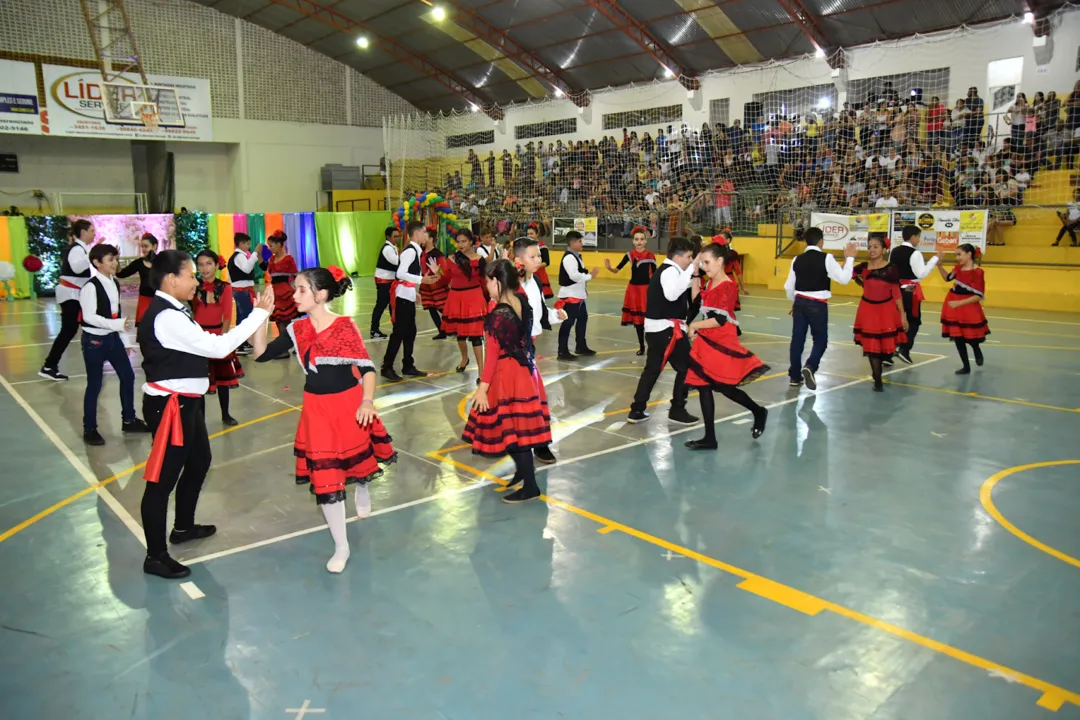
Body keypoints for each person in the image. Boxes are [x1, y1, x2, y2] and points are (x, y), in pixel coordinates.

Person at [138, 250, 274, 579]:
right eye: (190, 275)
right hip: (171, 405)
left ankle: (183, 527)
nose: (197, 280)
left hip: (187, 402)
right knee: (161, 480)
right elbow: (216, 348)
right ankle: (155, 555)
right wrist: (258, 314)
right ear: (171, 279)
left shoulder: (175, 309)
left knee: (198, 462)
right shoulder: (166, 316)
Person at [252, 267, 396, 573]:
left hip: (349, 405)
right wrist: (259, 316)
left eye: (301, 290)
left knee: (357, 461)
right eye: (295, 289)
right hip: (316, 409)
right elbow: (260, 353)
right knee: (327, 480)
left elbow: (368, 369)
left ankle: (362, 486)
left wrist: (367, 401)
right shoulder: (296, 329)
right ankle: (341, 546)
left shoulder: (345, 326)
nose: (294, 295)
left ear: (321, 295)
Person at [462, 259, 552, 503]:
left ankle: (531, 486)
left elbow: (491, 357)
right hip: (526, 371)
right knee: (516, 429)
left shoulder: (498, 314)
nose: (486, 287)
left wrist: (482, 390)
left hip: (507, 375)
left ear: (496, 281)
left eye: (488, 282)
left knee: (514, 433)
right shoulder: (521, 300)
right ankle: (523, 474)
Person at [684, 243, 769, 450]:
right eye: (702, 262)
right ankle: (710, 438)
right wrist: (695, 273)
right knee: (703, 386)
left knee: (725, 388)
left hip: (721, 340)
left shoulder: (728, 285)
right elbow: (697, 300)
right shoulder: (711, 282)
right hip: (706, 340)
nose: (704, 266)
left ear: (720, 261)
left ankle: (758, 411)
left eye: (707, 262)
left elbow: (719, 320)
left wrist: (693, 325)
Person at [79, 243, 149, 445]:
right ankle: (89, 428)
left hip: (113, 339)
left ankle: (129, 419)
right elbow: (89, 317)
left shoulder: (114, 283)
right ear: (96, 262)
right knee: (95, 385)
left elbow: (116, 312)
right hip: (94, 341)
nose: (115, 263)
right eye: (110, 260)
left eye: (116, 259)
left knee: (128, 376)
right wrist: (115, 324)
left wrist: (124, 339)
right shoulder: (90, 287)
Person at [627, 236, 699, 425]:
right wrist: (692, 270)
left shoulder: (672, 272)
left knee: (652, 370)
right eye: (689, 257)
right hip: (666, 331)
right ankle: (677, 409)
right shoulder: (670, 272)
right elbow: (671, 294)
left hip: (660, 330)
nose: (690, 261)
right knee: (688, 367)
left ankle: (637, 410)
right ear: (678, 257)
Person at [513, 237, 566, 465]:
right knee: (527, 398)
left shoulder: (534, 281)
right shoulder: (512, 285)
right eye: (533, 256)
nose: (539, 260)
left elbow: (540, 313)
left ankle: (538, 443)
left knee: (531, 398)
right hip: (515, 349)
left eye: (539, 256)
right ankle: (534, 443)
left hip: (528, 347)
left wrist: (555, 315)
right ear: (518, 260)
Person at [784, 228, 857, 390]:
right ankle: (810, 366)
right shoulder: (827, 258)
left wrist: (795, 300)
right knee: (821, 340)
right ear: (821, 242)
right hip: (817, 304)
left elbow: (789, 286)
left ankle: (794, 377)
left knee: (797, 340)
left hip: (800, 302)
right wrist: (850, 259)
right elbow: (844, 279)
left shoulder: (797, 259)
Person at [192, 250, 244, 426]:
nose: (204, 268)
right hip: (197, 337)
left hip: (217, 336)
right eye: (200, 264)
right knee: (198, 380)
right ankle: (199, 418)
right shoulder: (193, 286)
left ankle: (225, 414)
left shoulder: (225, 287)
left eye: (208, 263)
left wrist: (221, 340)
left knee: (222, 380)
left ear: (216, 265)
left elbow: (227, 316)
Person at [40, 219, 94, 381]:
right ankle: (49, 365)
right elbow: (77, 268)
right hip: (71, 295)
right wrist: (91, 255)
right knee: (68, 330)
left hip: (75, 294)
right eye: (92, 230)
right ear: (83, 233)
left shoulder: (80, 249)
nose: (94, 234)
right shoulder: (77, 249)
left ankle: (50, 365)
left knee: (81, 327)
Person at [852, 235, 908, 391]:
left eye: (875, 247)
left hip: (886, 310)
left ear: (884, 250)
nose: (871, 250)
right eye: (869, 247)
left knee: (883, 346)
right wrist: (849, 259)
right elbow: (848, 274)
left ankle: (880, 370)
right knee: (871, 347)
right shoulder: (862, 267)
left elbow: (896, 293)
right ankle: (877, 378)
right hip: (867, 309)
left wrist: (902, 315)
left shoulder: (891, 269)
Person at [382, 221, 429, 381]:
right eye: (424, 232)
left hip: (407, 295)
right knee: (400, 332)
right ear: (417, 234)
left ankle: (408, 365)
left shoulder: (415, 250)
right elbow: (401, 274)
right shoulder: (410, 251)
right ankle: (386, 367)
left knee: (410, 331)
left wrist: (413, 291)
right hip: (401, 297)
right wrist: (422, 280)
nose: (426, 236)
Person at [889, 224, 939, 364]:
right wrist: (934, 260)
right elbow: (921, 273)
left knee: (896, 321)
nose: (919, 240)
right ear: (913, 237)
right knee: (914, 321)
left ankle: (888, 353)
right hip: (909, 292)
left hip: (895, 290)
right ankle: (904, 349)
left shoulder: (894, 251)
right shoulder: (915, 253)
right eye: (918, 237)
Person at [936, 243, 989, 374]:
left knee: (970, 337)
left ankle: (976, 348)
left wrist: (959, 304)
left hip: (968, 306)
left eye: (959, 254)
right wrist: (939, 265)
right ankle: (966, 366)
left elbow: (978, 296)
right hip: (954, 304)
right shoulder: (958, 268)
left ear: (969, 254)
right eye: (956, 255)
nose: (957, 257)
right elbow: (947, 278)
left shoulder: (977, 272)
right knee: (958, 337)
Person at [440, 229, 487, 376]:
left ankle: (481, 371)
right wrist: (437, 273)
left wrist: (489, 299)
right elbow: (445, 280)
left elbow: (484, 281)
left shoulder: (479, 259)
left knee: (475, 335)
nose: (460, 244)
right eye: (458, 241)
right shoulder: (452, 259)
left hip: (474, 297)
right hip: (456, 298)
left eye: (464, 241)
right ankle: (464, 358)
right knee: (459, 334)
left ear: (471, 241)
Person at [604, 225, 655, 355]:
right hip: (633, 291)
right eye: (637, 239)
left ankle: (652, 346)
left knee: (648, 320)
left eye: (641, 239)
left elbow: (655, 276)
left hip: (646, 290)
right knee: (638, 322)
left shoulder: (650, 255)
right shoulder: (629, 255)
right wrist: (609, 268)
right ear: (633, 241)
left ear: (646, 240)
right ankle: (642, 347)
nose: (639, 241)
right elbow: (617, 270)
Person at [556, 230, 600, 360]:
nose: (582, 243)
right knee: (568, 323)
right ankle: (562, 350)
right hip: (571, 296)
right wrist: (590, 276)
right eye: (580, 241)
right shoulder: (569, 257)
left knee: (582, 320)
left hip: (578, 295)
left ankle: (581, 345)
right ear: (573, 242)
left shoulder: (576, 256)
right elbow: (574, 276)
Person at [262, 230, 299, 357]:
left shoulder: (288, 259)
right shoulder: (271, 259)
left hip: (285, 291)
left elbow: (295, 275)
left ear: (279, 244)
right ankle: (289, 345)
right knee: (279, 320)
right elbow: (265, 268)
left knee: (286, 320)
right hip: (274, 291)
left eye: (271, 245)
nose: (270, 248)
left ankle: (285, 348)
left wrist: (298, 291)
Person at [227, 232, 261, 354]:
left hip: (241, 290)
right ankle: (239, 344)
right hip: (241, 290)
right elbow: (247, 269)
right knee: (244, 317)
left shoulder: (238, 256)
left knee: (243, 316)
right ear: (240, 243)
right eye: (247, 243)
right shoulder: (239, 256)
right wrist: (255, 253)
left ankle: (243, 342)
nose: (248, 246)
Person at [116, 232, 157, 325]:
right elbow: (121, 274)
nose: (143, 249)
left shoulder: (162, 261)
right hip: (144, 300)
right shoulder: (139, 262)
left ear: (154, 246)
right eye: (142, 246)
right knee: (144, 329)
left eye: (146, 246)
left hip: (159, 300)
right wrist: (117, 260)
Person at [420, 226, 451, 339]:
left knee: (443, 309)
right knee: (431, 309)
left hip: (437, 285)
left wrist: (438, 274)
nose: (422, 238)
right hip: (426, 285)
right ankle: (441, 331)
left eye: (425, 236)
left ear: (431, 239)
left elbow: (444, 270)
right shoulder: (421, 253)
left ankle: (454, 328)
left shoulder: (438, 254)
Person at [370, 226, 400, 339]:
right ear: (388, 237)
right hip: (384, 281)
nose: (397, 238)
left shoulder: (393, 247)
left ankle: (396, 327)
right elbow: (397, 262)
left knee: (392, 305)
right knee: (381, 305)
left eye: (398, 236)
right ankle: (374, 330)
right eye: (395, 236)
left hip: (389, 281)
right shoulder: (388, 249)